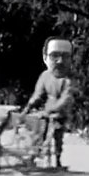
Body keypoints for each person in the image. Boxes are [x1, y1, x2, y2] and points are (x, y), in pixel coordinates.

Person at [20, 36, 77, 168]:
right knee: (38, 135)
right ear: (45, 57)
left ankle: (57, 161)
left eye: (65, 56)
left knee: (56, 138)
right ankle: (34, 158)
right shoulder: (45, 76)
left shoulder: (68, 80)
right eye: (54, 56)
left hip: (60, 115)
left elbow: (66, 99)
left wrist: (52, 111)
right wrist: (28, 107)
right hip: (46, 114)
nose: (60, 61)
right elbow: (38, 94)